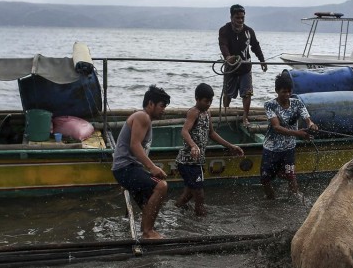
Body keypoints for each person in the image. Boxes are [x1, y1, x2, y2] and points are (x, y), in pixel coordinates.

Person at [111, 85, 171, 240]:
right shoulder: (142, 116)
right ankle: (148, 232)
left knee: (148, 203)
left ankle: (147, 233)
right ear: (150, 103)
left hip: (128, 168)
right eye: (162, 106)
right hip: (125, 168)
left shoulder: (145, 119)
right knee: (161, 186)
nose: (163, 109)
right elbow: (135, 144)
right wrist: (152, 167)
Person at [175, 83, 245, 216]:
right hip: (187, 161)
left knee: (190, 192)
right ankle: (201, 219)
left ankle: (177, 209)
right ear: (197, 99)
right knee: (199, 194)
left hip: (198, 162)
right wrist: (193, 146)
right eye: (206, 101)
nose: (208, 104)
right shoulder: (193, 112)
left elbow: (212, 133)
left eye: (210, 101)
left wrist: (231, 146)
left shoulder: (207, 113)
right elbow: (184, 131)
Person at [261, 72, 318, 199]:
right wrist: (297, 133)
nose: (287, 95)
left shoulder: (297, 103)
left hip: (289, 148)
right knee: (265, 177)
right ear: (277, 91)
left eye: (289, 91)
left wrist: (311, 125)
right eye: (283, 92)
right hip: (271, 148)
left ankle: (295, 197)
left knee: (291, 175)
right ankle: (270, 199)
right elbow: (276, 127)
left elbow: (307, 119)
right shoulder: (270, 105)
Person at [218, 4, 268, 127]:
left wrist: (262, 60)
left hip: (246, 67)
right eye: (237, 18)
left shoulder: (249, 31)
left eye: (242, 18)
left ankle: (245, 117)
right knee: (228, 93)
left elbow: (255, 46)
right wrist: (228, 57)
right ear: (231, 17)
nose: (240, 20)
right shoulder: (224, 30)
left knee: (247, 93)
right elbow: (223, 44)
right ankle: (226, 113)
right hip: (231, 67)